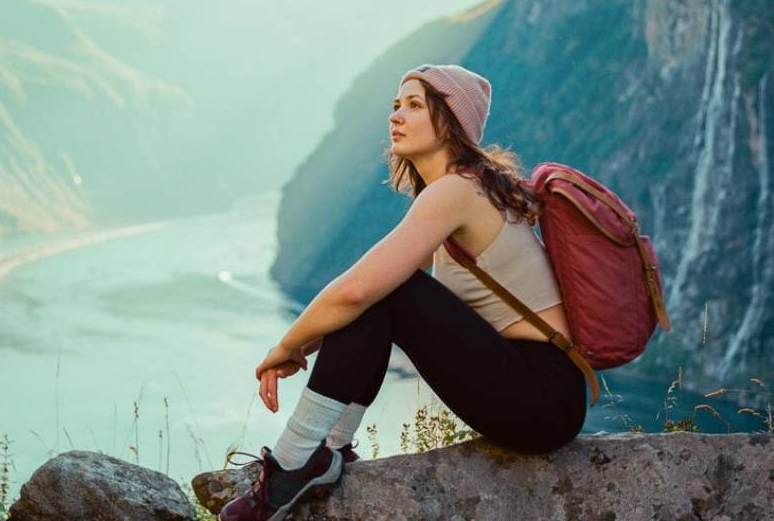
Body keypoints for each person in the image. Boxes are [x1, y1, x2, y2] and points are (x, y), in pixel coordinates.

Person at [220, 64, 587, 521]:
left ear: (452, 122)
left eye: (415, 105)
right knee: (385, 292)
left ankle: (294, 462)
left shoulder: (456, 191)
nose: (396, 115)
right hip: (544, 394)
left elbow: (356, 291)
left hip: (541, 397)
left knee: (386, 291)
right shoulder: (465, 190)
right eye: (396, 105)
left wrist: (287, 346)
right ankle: (329, 451)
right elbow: (363, 297)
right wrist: (302, 347)